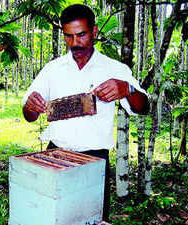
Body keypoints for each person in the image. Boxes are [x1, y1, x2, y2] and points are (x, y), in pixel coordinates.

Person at [22, 4, 150, 222]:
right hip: (55, 154)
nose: (75, 43)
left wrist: (126, 89)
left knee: (90, 218)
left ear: (95, 31)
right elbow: (29, 114)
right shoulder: (52, 69)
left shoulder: (115, 69)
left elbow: (143, 107)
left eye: (81, 35)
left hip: (94, 157)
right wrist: (30, 107)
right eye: (68, 37)